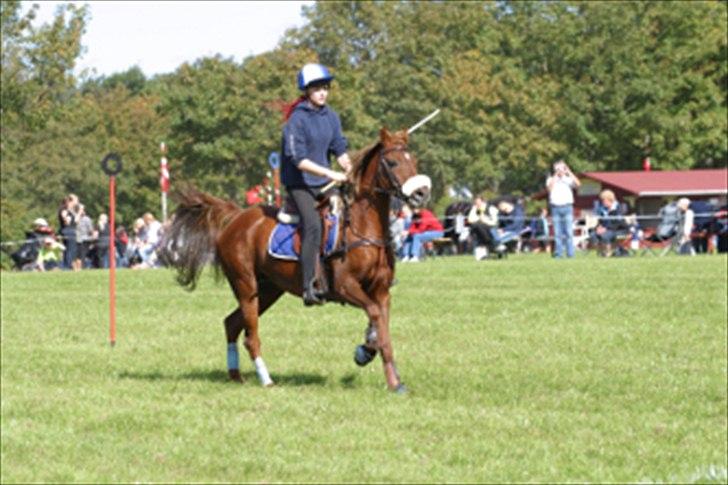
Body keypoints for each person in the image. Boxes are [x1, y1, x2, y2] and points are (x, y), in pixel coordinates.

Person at [280, 63, 351, 305]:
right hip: (300, 184)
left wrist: (349, 168)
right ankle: (309, 285)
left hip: (322, 181)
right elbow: (299, 160)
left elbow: (339, 149)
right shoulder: (296, 120)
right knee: (313, 226)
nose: (323, 93)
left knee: (351, 214)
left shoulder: (331, 116)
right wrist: (332, 174)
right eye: (318, 89)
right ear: (307, 91)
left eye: (326, 88)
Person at [546, 160, 580, 258]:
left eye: (561, 168)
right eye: (557, 169)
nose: (560, 171)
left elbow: (578, 184)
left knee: (569, 232)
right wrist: (556, 176)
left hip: (567, 207)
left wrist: (569, 172)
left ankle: (570, 254)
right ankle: (558, 254)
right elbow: (549, 189)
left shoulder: (568, 179)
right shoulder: (551, 179)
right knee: (557, 233)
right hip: (555, 208)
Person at [589, 189, 629, 257]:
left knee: (605, 235)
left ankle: (608, 253)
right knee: (593, 235)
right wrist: (598, 227)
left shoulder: (618, 209)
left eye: (604, 200)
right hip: (607, 229)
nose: (602, 202)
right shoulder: (603, 209)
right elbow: (600, 221)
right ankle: (602, 253)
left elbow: (618, 224)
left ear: (609, 199)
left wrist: (605, 229)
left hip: (620, 230)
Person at [467, 195, 499, 260]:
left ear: (483, 201)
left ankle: (487, 244)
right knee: (477, 226)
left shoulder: (491, 208)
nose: (477, 204)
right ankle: (489, 243)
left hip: (489, 226)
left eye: (478, 202)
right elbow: (470, 219)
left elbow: (494, 221)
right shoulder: (474, 209)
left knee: (478, 226)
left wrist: (484, 220)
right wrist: (479, 219)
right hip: (477, 227)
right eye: (476, 202)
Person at [57, 193, 79, 270]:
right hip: (67, 231)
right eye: (76, 200)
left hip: (72, 230)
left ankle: (68, 266)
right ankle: (67, 266)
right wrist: (66, 219)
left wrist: (79, 212)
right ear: (71, 201)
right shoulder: (64, 209)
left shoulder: (71, 210)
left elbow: (76, 221)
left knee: (71, 249)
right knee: (69, 250)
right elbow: (65, 221)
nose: (77, 202)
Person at [74, 204, 94, 270]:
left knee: (80, 255)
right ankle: (81, 267)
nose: (83, 211)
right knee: (82, 255)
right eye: (82, 209)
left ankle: (81, 267)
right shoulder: (86, 219)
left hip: (81, 239)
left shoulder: (76, 217)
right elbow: (90, 230)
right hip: (83, 238)